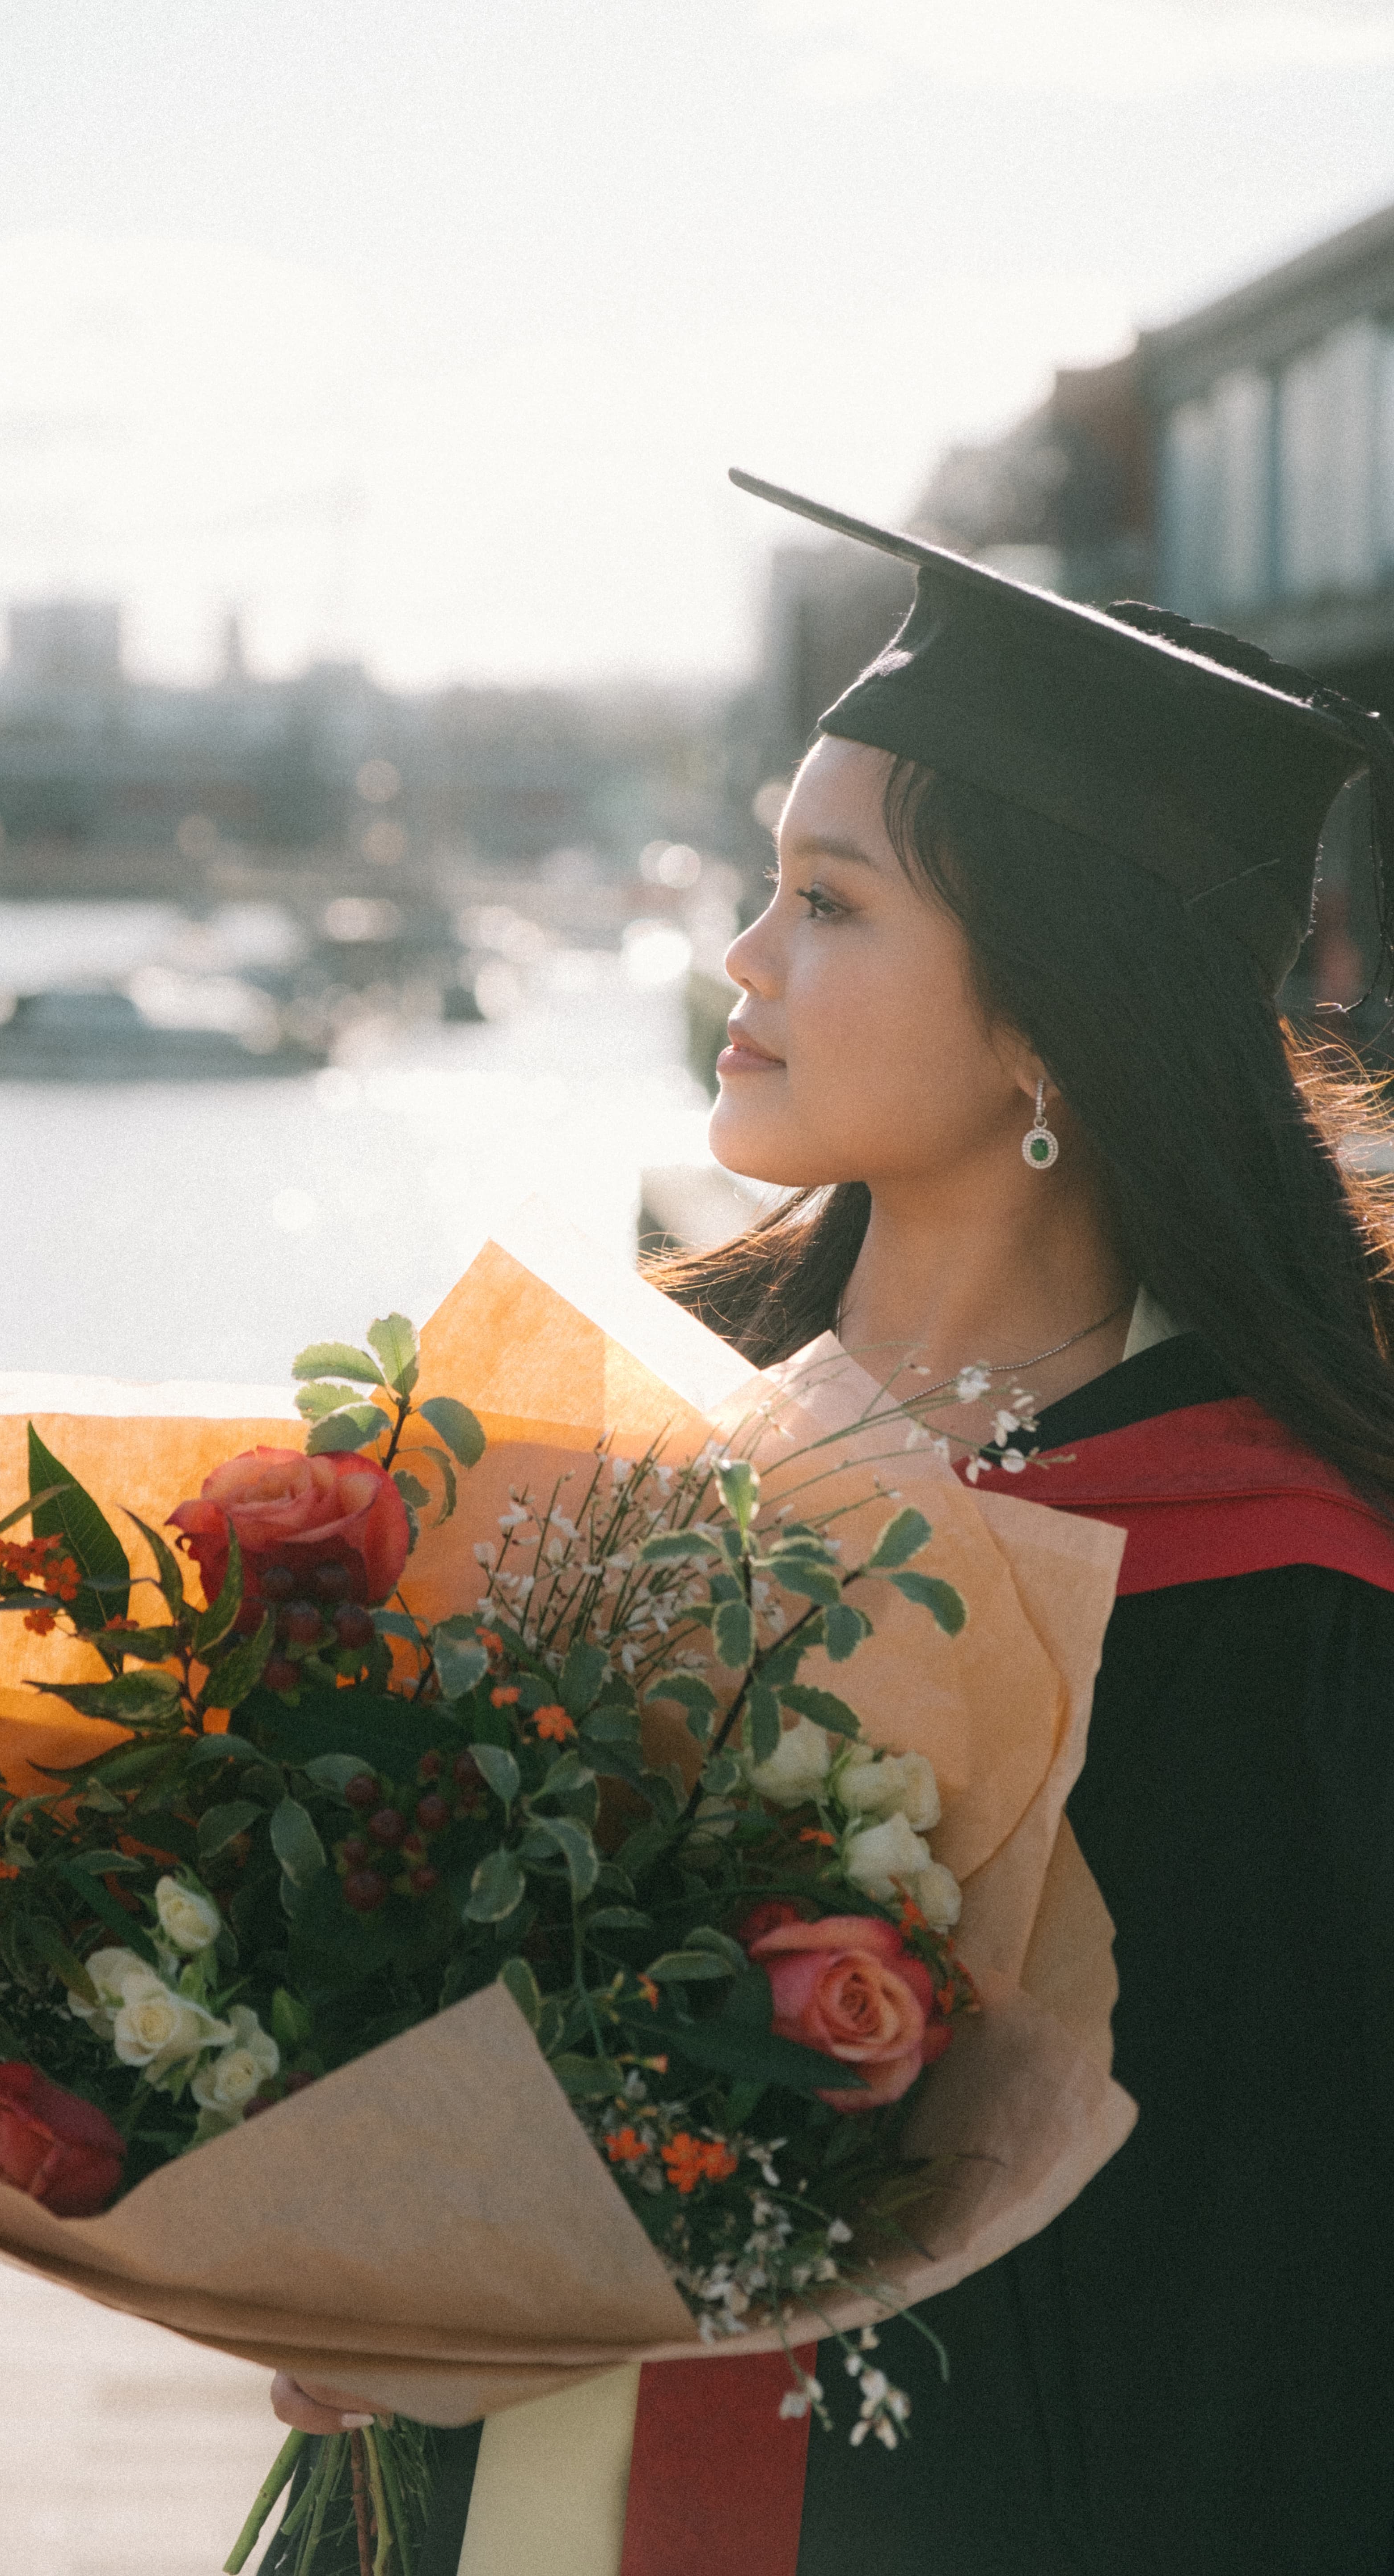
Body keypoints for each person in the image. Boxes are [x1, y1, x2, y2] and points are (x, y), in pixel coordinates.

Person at [277, 479, 1394, 2576]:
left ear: (1055, 1010)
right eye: (768, 881)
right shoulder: (600, 1425)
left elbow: (1292, 2333)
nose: (746, 951)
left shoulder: (1283, 1616)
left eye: (835, 900)